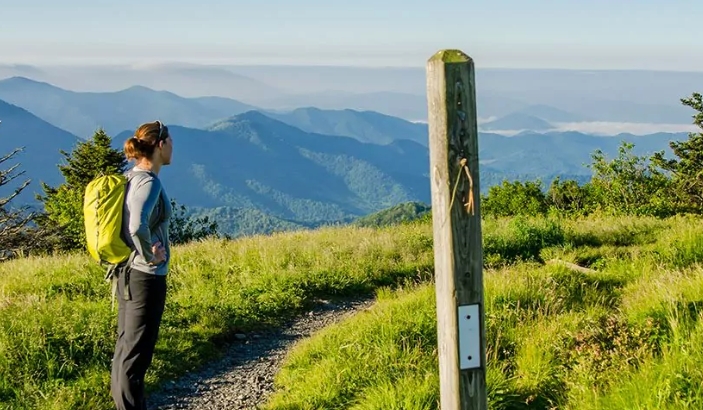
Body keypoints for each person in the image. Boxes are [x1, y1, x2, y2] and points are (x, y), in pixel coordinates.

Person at [111, 120, 173, 410]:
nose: (173, 148)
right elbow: (136, 227)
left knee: (126, 349)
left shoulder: (131, 176)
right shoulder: (149, 181)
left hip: (128, 274)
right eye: (171, 142)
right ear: (161, 146)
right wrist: (150, 256)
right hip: (144, 277)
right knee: (136, 356)